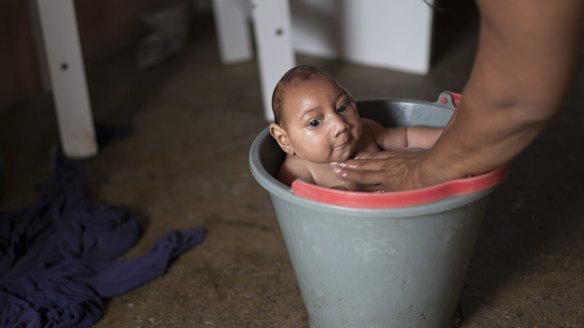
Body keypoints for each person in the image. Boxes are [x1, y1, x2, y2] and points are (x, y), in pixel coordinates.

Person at [331, 0, 584, 192]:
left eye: (341, 107)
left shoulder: (371, 131)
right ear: (288, 142)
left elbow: (520, 95)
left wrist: (423, 172)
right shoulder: (299, 163)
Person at [269, 65, 443, 190]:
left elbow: (407, 136)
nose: (340, 125)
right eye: (315, 122)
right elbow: (303, 210)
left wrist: (447, 137)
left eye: (343, 107)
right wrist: (339, 196)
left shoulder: (367, 132)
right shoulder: (297, 170)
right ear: (285, 140)